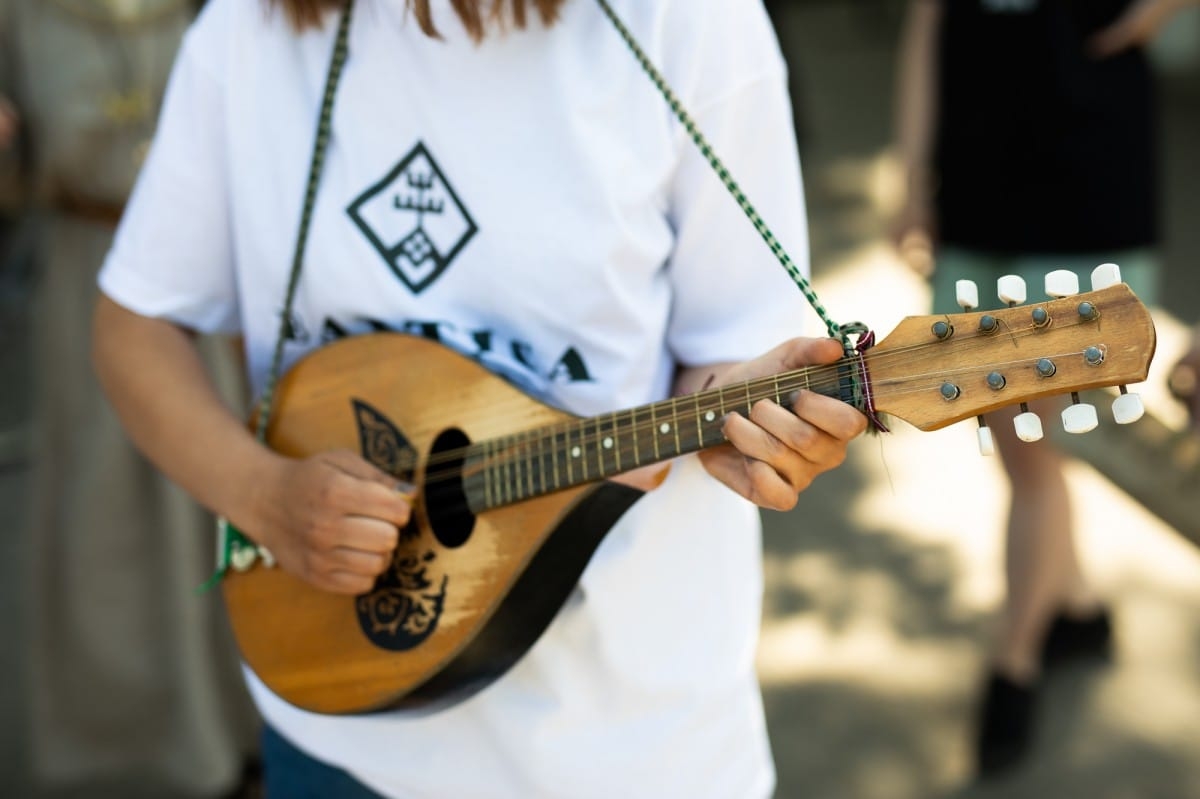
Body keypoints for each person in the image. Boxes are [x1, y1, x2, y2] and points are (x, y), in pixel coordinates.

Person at [89, 0, 868, 796]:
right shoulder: (248, 30)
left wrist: (737, 413)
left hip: (627, 743)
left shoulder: (685, 21)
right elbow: (135, 323)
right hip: (341, 732)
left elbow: (727, 350)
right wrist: (263, 494)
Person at [893, 0, 1200, 779]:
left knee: (1034, 446)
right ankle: (1077, 609)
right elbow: (926, 27)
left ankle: (1014, 659)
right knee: (1026, 441)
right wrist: (912, 178)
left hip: (1088, 185)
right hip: (976, 188)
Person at [0, 0, 260, 795]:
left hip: (198, 300)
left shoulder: (210, 13)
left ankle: (218, 744)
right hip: (69, 290)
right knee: (75, 527)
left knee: (212, 502)